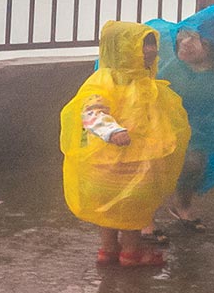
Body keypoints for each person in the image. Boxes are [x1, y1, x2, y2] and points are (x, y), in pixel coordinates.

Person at [60, 20, 191, 268]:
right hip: (125, 163)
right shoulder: (106, 81)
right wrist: (112, 131)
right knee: (132, 211)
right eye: (143, 45)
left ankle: (108, 250)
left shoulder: (140, 81)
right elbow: (91, 112)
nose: (151, 51)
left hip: (111, 163)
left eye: (152, 44)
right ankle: (131, 252)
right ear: (121, 49)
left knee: (111, 211)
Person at [143, 4, 214, 241]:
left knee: (194, 162)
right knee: (150, 166)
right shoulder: (162, 50)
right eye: (184, 34)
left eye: (197, 40)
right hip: (151, 117)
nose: (184, 42)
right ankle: (143, 217)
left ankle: (181, 204)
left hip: (193, 123)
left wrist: (198, 133)